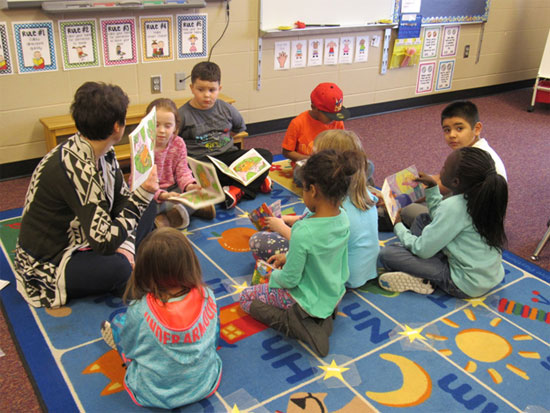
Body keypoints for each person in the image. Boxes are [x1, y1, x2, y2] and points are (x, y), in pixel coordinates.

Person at [14, 82, 158, 308]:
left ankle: (128, 260)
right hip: (53, 259)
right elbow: (103, 243)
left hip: (89, 232)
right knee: (118, 266)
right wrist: (139, 200)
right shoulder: (76, 166)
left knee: (148, 205)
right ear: (116, 127)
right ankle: (127, 270)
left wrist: (126, 245)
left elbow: (121, 199)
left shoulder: (102, 150)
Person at [239, 149, 361, 357]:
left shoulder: (303, 230)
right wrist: (287, 257)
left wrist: (272, 276)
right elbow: (324, 256)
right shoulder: (343, 218)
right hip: (333, 293)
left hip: (302, 298)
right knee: (294, 290)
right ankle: (322, 318)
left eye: (303, 189)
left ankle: (295, 324)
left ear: (312, 190)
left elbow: (290, 279)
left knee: (246, 298)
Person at [100, 228, 222, 409]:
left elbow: (132, 349)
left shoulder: (139, 310)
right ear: (190, 264)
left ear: (144, 270)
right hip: (205, 381)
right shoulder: (207, 295)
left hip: (154, 393)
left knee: (120, 322)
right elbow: (213, 337)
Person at [249, 130, 379, 288]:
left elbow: (309, 242)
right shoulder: (363, 194)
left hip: (340, 276)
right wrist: (288, 219)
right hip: (365, 270)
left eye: (315, 156)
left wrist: (281, 227)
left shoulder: (335, 205)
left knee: (259, 241)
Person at [378, 147, 508, 298]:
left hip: (464, 283)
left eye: (444, 168)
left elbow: (422, 250)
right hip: (489, 274)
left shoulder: (454, 206)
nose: (441, 170)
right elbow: (442, 217)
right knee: (423, 219)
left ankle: (423, 278)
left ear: (455, 181)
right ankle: (419, 265)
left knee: (388, 254)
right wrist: (433, 188)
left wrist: (398, 225)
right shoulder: (483, 199)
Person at [178, 61, 273, 208]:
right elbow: (176, 143)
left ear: (219, 89)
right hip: (203, 162)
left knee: (264, 155)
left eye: (212, 90)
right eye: (200, 89)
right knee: (200, 176)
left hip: (228, 157)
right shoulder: (183, 114)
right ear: (191, 88)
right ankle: (255, 182)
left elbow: (238, 128)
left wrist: (225, 142)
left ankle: (237, 190)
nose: (206, 95)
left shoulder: (226, 109)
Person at [397, 100, 507, 228]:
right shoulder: (477, 148)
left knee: (406, 210)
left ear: (477, 129)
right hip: (475, 212)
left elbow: (440, 187)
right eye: (447, 130)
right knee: (420, 199)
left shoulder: (469, 160)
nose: (452, 135)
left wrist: (399, 200)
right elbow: (440, 178)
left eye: (459, 128)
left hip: (473, 223)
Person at [143, 98, 215, 229]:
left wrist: (190, 186)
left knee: (201, 193)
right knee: (146, 207)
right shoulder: (142, 146)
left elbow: (183, 171)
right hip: (152, 194)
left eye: (168, 126)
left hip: (174, 189)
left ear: (176, 126)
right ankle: (185, 211)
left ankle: (169, 217)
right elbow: (139, 183)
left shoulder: (178, 143)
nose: (162, 130)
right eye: (156, 124)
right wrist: (163, 195)